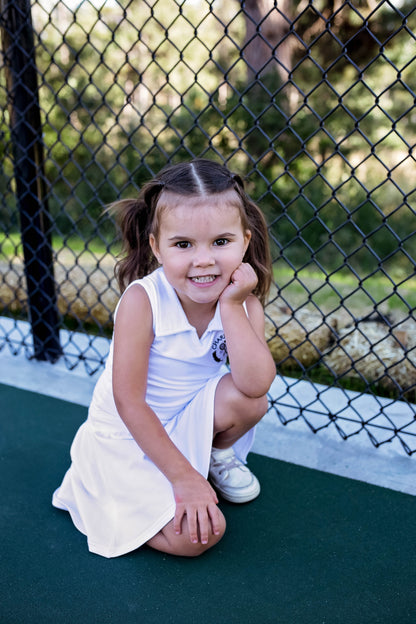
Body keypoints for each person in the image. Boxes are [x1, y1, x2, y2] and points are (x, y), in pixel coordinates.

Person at [52, 158, 276, 558]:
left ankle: (214, 457)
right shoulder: (144, 300)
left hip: (188, 419)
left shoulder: (243, 303)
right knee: (197, 538)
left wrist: (231, 308)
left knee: (249, 400)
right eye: (184, 244)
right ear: (157, 247)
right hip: (128, 436)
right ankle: (107, 494)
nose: (204, 260)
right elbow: (129, 403)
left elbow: (255, 385)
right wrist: (183, 479)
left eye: (221, 242)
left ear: (245, 240)